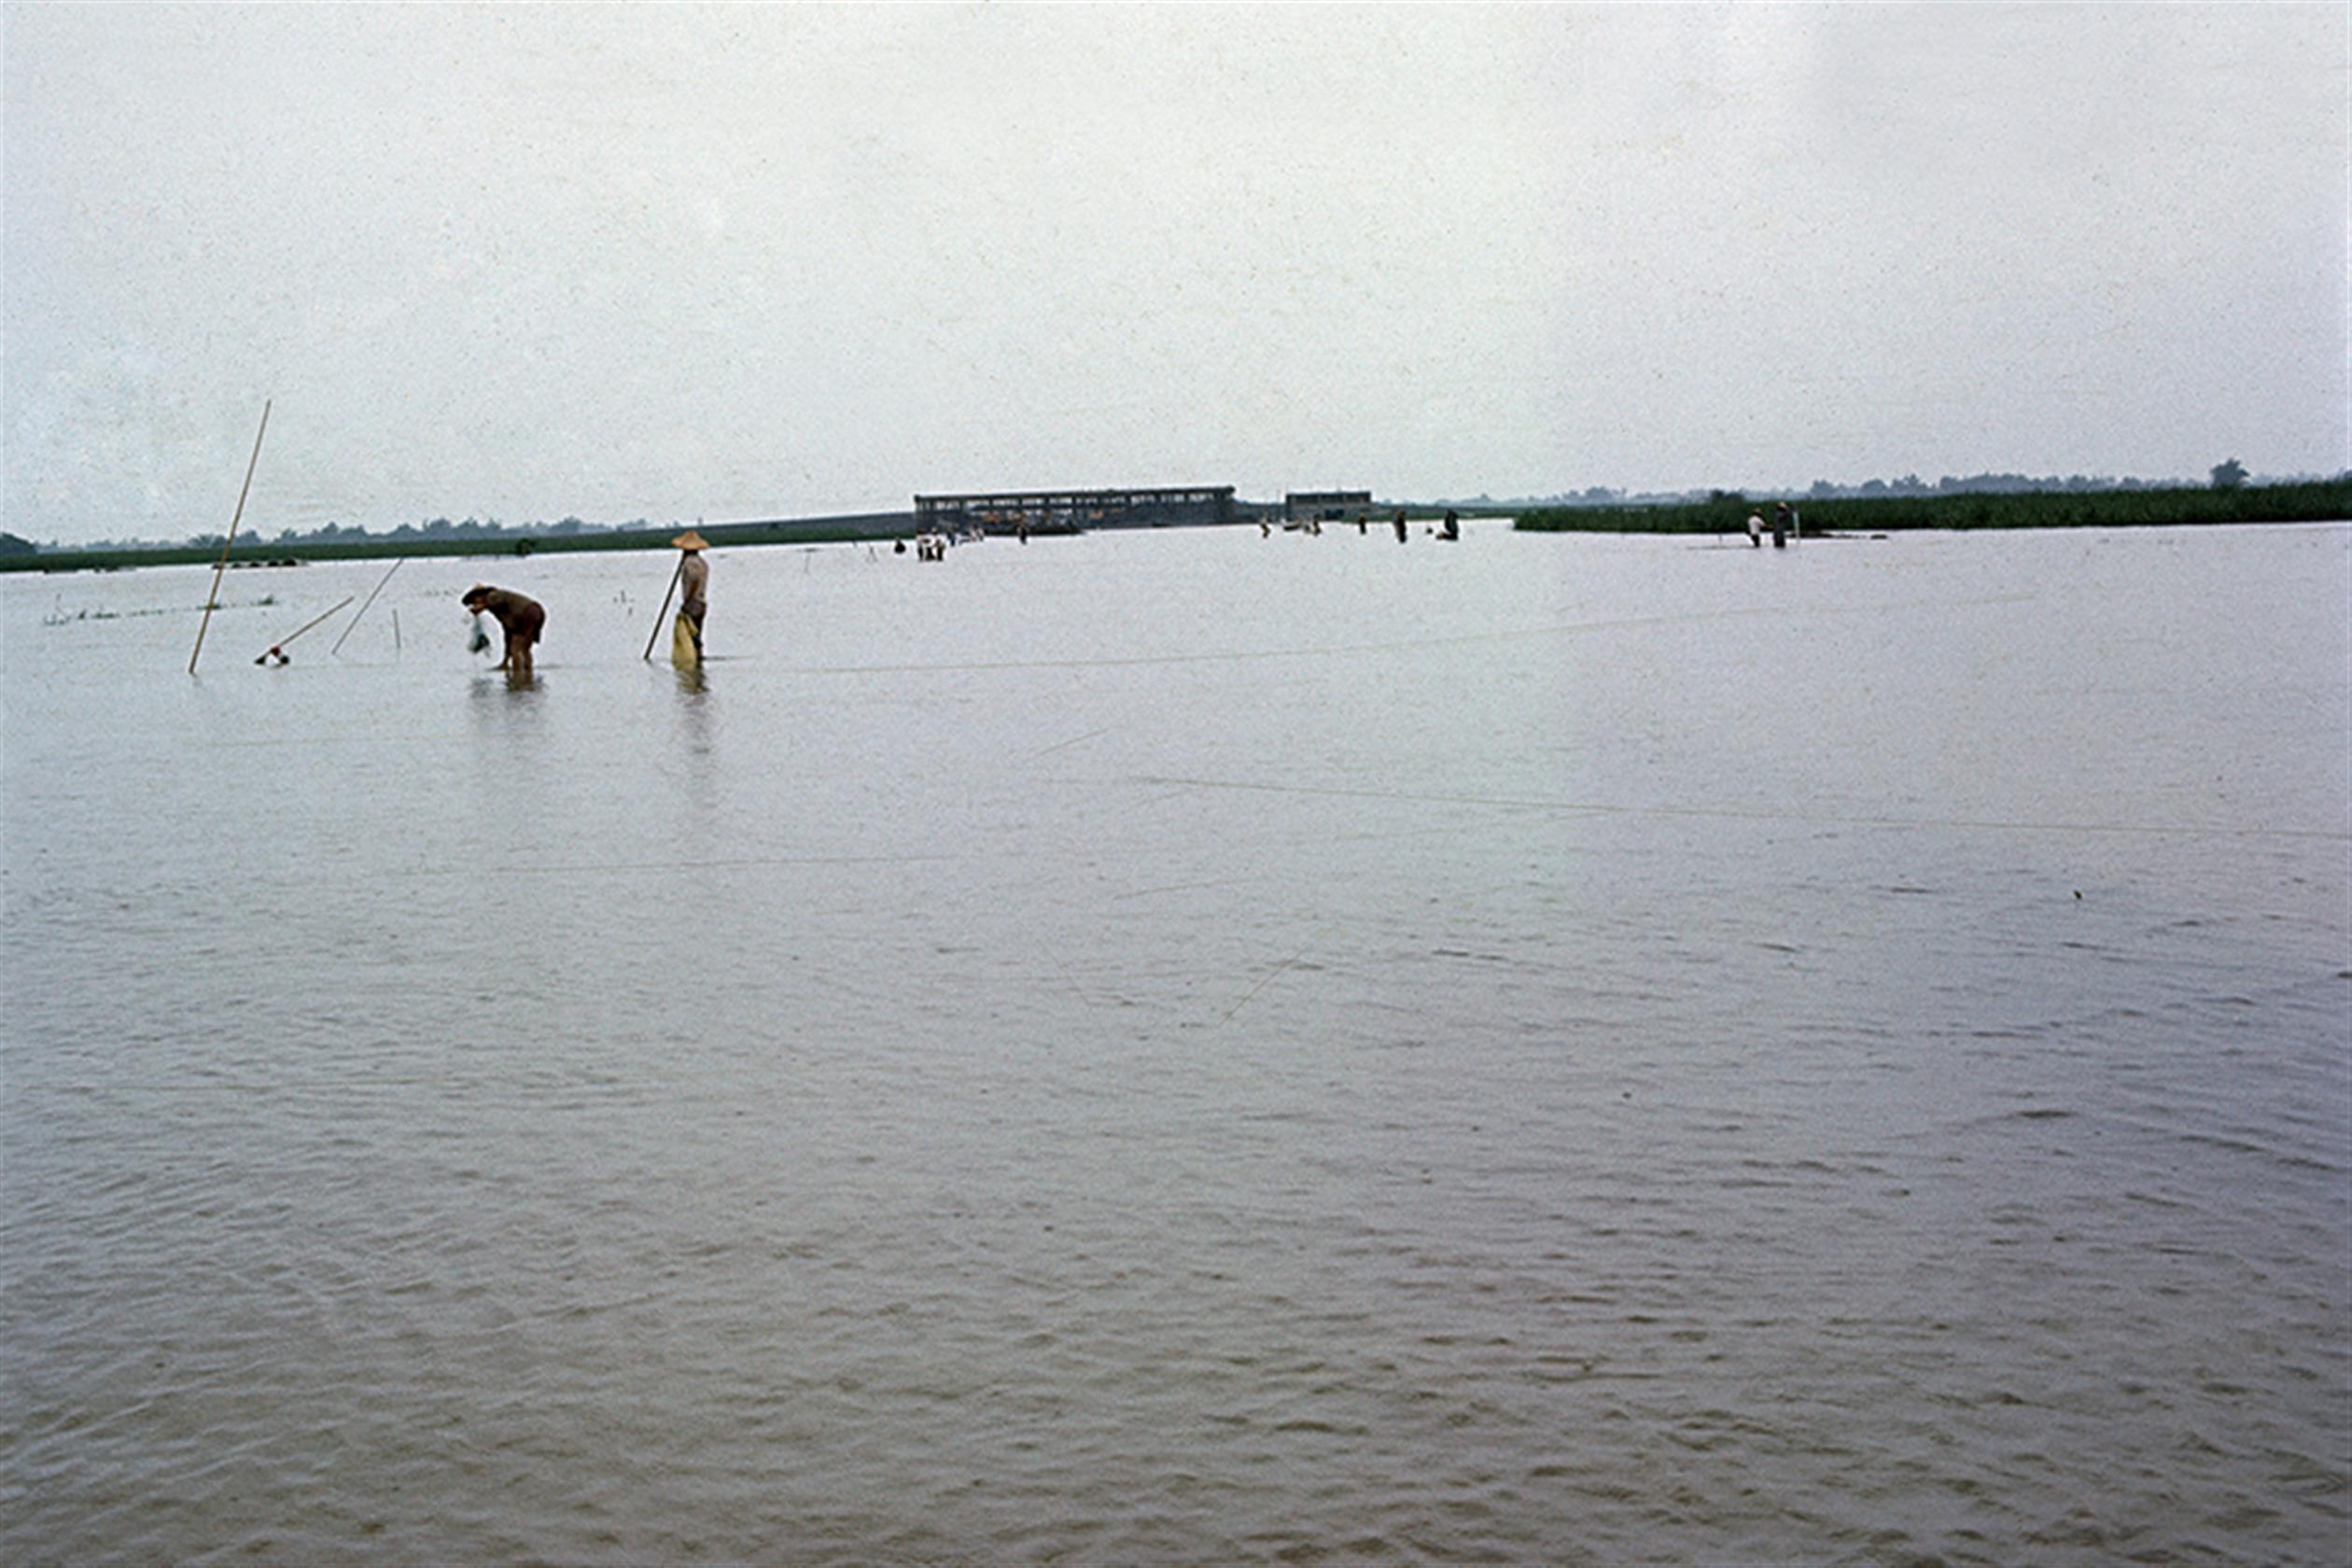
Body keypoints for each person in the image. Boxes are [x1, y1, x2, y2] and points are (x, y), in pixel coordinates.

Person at [460, 584, 545, 677]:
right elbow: (508, 633)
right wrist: (505, 660)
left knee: (515, 649)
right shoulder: (503, 611)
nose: (474, 605)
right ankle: (528, 673)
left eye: (474, 602)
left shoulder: (493, 595)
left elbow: (495, 601)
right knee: (525, 649)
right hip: (537, 611)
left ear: (479, 596)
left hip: (526, 613)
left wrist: (483, 607)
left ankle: (517, 677)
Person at [672, 530, 709, 667]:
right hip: (701, 602)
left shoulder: (689, 563)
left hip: (693, 603)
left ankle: (693, 661)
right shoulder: (702, 563)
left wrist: (687, 600)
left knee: (691, 634)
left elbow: (694, 581)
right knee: (697, 632)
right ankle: (698, 657)